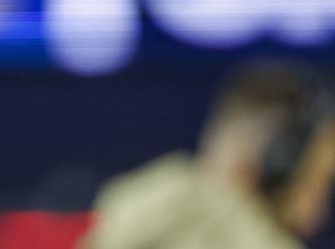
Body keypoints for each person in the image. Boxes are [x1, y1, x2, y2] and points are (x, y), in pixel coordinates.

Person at [83, 62, 335, 249]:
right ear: (276, 164)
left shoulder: (135, 198)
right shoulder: (249, 237)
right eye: (317, 185)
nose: (321, 214)